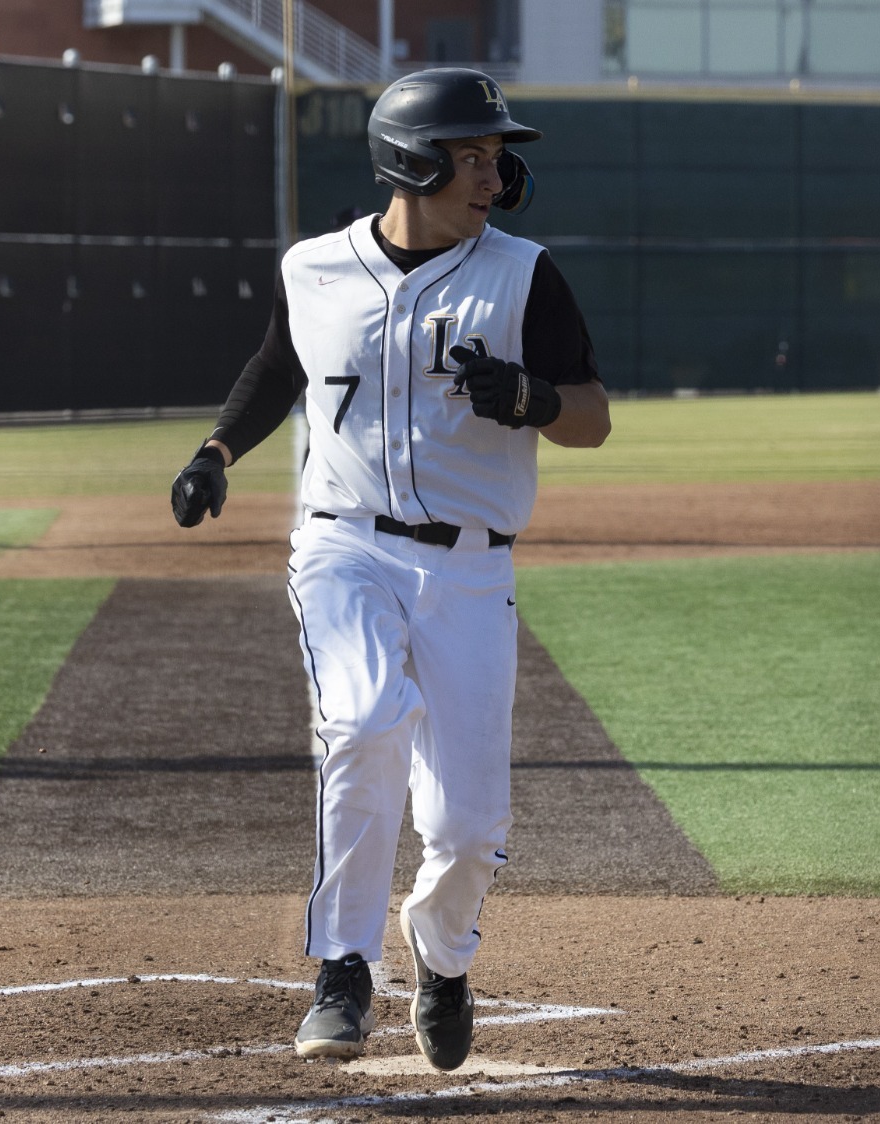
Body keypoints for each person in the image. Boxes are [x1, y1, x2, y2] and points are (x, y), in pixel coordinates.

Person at [168, 68, 610, 1069]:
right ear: (411, 162)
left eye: (498, 156)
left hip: (468, 571)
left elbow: (592, 414)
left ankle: (442, 956)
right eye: (473, 155)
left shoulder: (523, 274)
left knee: (464, 822)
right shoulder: (315, 268)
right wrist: (214, 452)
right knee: (360, 722)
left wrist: (530, 398)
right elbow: (277, 367)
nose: (493, 175)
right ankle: (342, 967)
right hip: (344, 548)